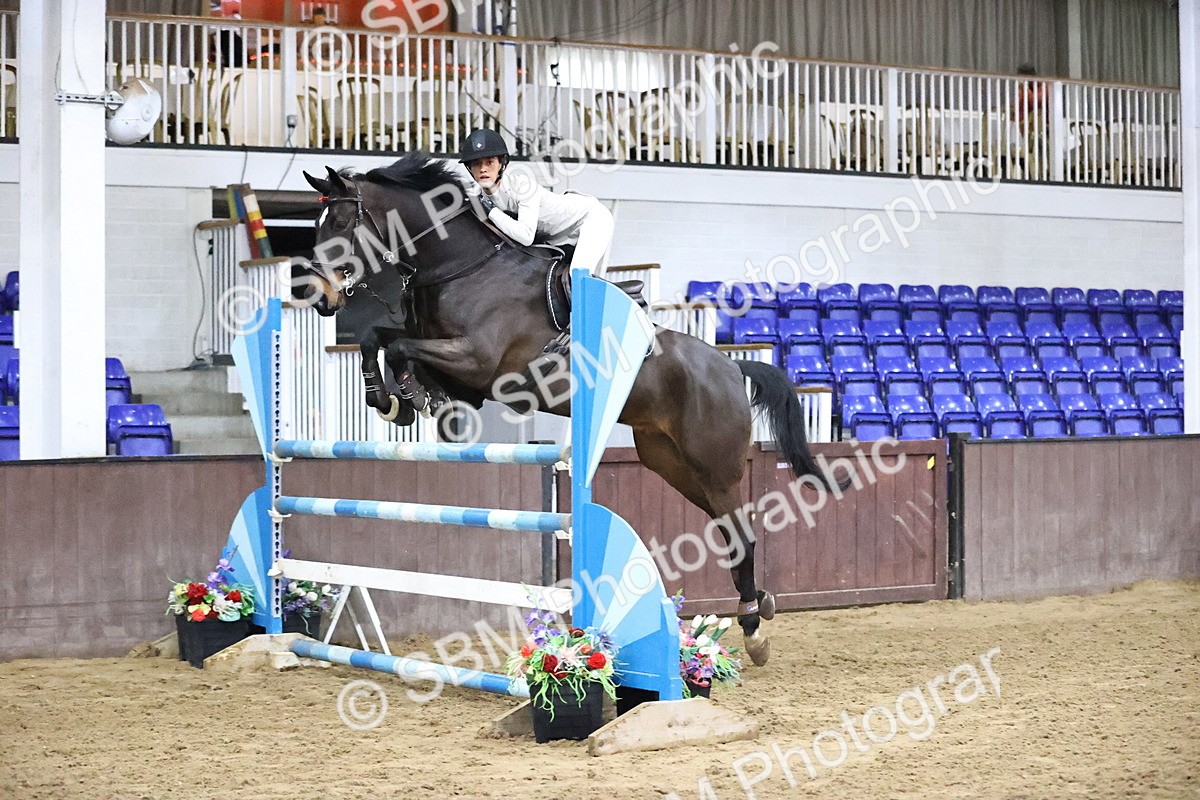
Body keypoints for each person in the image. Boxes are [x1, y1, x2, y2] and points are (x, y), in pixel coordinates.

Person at [458, 129, 614, 278]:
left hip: (591, 218)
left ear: (502, 164)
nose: (483, 169)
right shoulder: (479, 197)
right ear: (470, 169)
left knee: (577, 276)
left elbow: (526, 237)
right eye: (477, 164)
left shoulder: (523, 186)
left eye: (489, 162)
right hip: (557, 237)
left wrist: (491, 212)